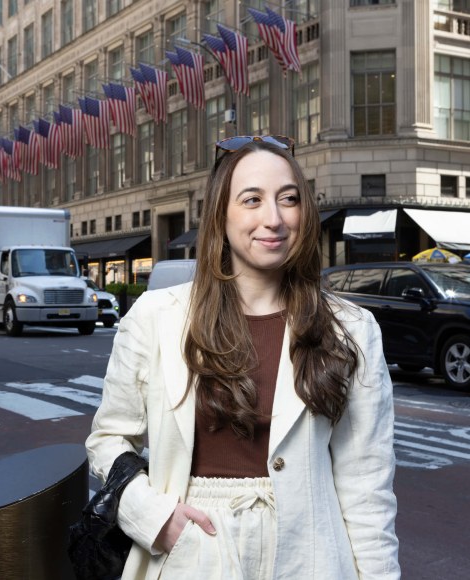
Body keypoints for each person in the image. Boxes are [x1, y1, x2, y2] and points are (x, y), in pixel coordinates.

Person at [86, 135, 400, 579]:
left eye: (288, 199)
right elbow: (109, 439)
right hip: (191, 551)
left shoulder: (352, 328)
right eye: (251, 199)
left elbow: (367, 487)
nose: (272, 218)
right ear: (222, 214)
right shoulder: (157, 317)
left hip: (310, 554)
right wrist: (155, 520)